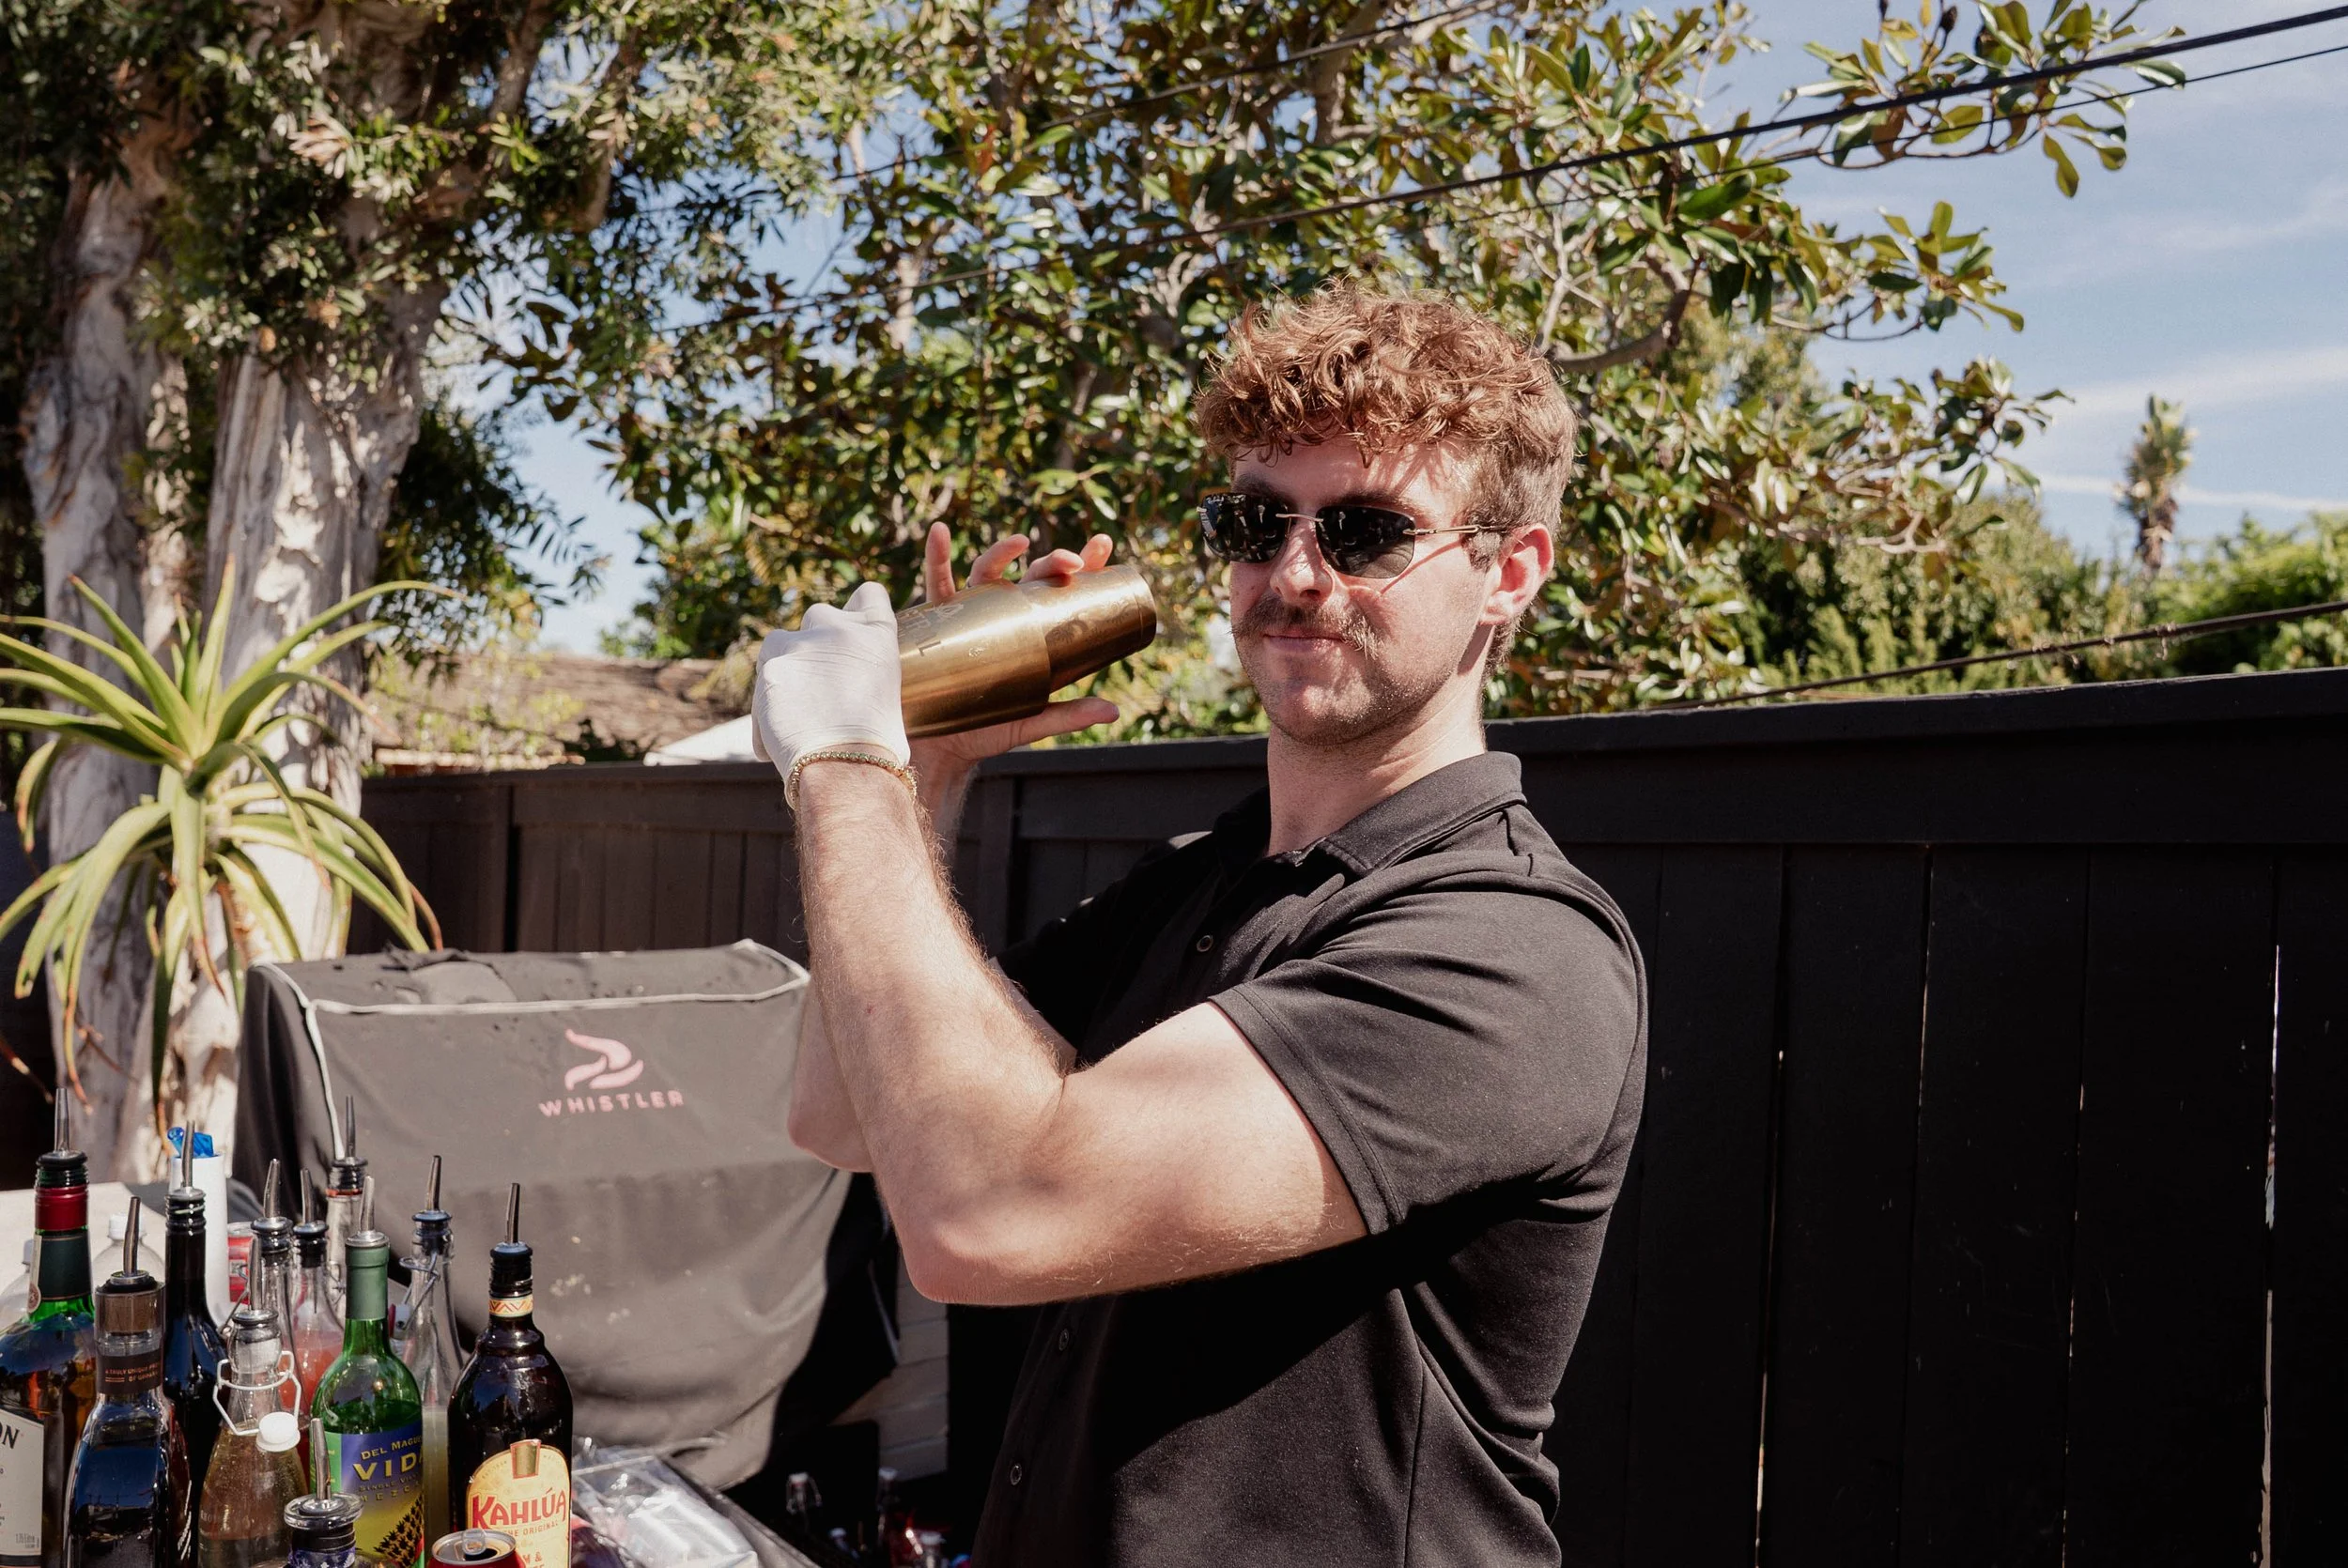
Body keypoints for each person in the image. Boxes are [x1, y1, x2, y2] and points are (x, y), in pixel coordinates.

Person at [757, 283, 1647, 1567]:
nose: (1294, 574)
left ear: (1509, 573)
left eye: (1366, 530)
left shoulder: (1513, 949)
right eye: (1253, 521)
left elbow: (987, 1212)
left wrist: (843, 765)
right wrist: (923, 776)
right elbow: (843, 1113)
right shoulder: (1193, 885)